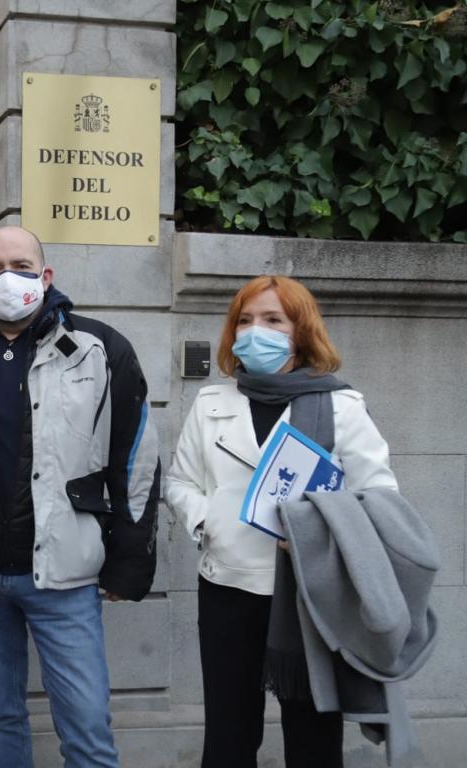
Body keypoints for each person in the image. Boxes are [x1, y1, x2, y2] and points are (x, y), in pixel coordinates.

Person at [0, 226, 160, 768]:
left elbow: (136, 458)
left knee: (87, 728)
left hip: (64, 576)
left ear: (45, 277)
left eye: (23, 266)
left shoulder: (101, 348)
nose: (10, 278)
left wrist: (129, 559)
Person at [165, 274, 400, 768]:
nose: (256, 331)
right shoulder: (210, 404)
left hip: (310, 594)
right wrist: (212, 522)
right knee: (228, 734)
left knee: (314, 735)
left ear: (300, 330)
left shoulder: (341, 406)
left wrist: (323, 531)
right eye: (245, 321)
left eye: (273, 319)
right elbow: (180, 484)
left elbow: (379, 498)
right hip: (228, 586)